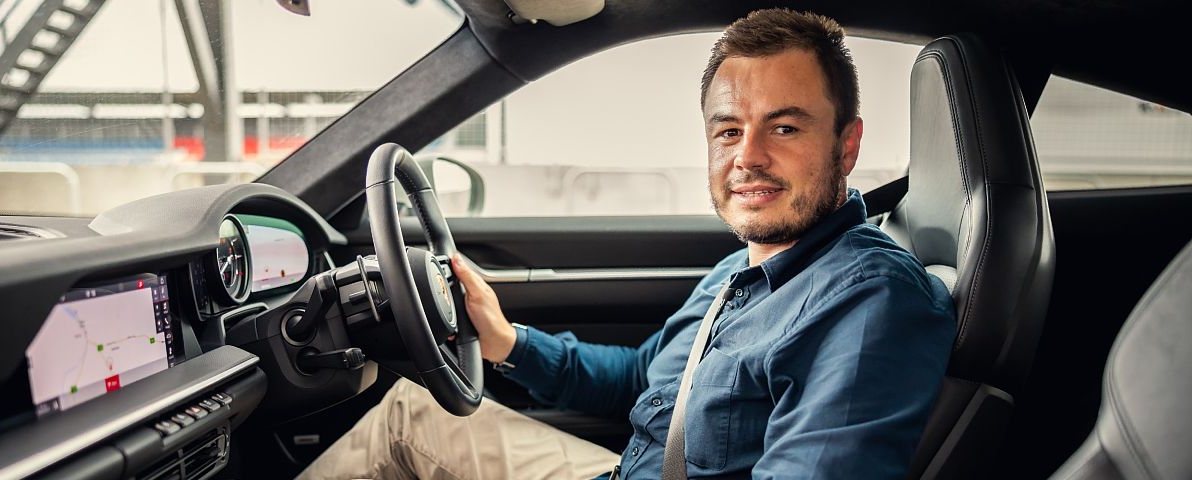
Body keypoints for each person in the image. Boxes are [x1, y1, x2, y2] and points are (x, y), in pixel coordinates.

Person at [298, 8, 954, 479]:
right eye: (728, 131)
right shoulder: (739, 269)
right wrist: (506, 343)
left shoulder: (872, 302)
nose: (746, 157)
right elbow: (643, 379)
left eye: (783, 128)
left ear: (847, 144)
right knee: (407, 416)